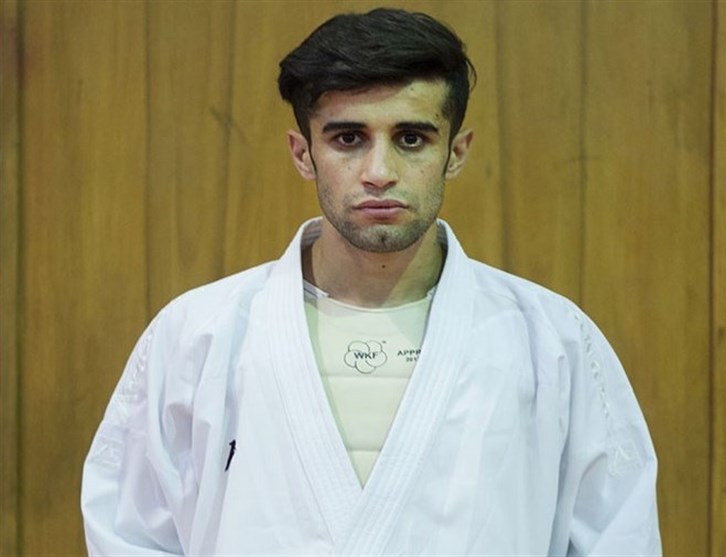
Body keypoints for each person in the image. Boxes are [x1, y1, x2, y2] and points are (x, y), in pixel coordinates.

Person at [81, 8, 661, 556]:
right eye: (348, 138)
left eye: (411, 138)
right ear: (303, 153)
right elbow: (130, 535)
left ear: (456, 152)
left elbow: (617, 538)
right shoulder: (196, 336)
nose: (379, 173)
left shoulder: (553, 343)